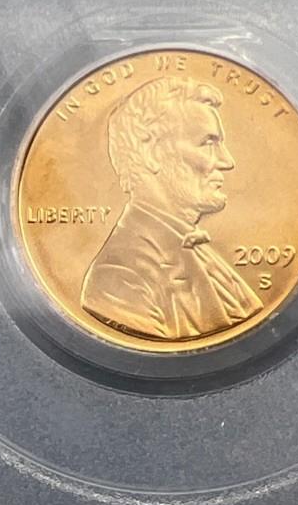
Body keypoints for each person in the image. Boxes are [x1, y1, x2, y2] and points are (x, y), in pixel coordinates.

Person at [81, 77, 263, 341]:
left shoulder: (199, 251)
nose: (227, 161)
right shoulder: (119, 278)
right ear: (151, 153)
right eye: (208, 143)